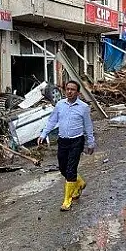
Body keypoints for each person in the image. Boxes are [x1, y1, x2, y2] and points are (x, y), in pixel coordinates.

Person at [38, 80, 95, 211]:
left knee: (71, 169)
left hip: (77, 141)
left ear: (78, 92)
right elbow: (52, 121)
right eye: (67, 89)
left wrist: (91, 143)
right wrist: (43, 134)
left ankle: (67, 200)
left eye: (72, 89)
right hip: (63, 141)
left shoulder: (83, 108)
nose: (69, 91)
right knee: (63, 168)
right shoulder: (59, 105)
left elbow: (88, 126)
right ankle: (79, 183)